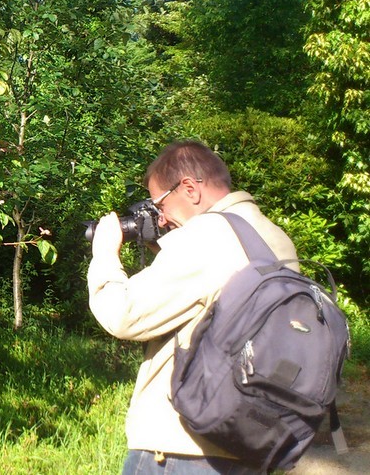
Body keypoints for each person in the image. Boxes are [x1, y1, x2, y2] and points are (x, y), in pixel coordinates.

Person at [87, 140, 298, 475]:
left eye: (160, 204)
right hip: (252, 440)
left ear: (189, 188)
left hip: (182, 449)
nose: (163, 217)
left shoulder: (207, 236)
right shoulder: (273, 236)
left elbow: (122, 315)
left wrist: (105, 254)